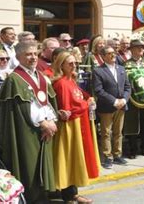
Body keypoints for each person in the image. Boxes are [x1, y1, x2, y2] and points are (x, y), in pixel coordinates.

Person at [0, 41, 58, 202]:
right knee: (29, 163)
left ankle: (43, 195)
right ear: (18, 57)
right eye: (28, 54)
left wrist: (51, 120)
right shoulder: (14, 79)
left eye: (34, 54)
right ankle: (31, 198)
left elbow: (46, 101)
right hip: (26, 130)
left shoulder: (41, 76)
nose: (32, 57)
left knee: (43, 162)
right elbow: (23, 107)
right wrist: (42, 123)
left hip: (45, 128)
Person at [52, 52, 99, 203]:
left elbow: (81, 95)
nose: (74, 66)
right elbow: (67, 111)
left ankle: (73, 194)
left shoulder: (70, 80)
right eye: (70, 63)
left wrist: (88, 98)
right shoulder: (61, 84)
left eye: (75, 63)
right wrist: (86, 104)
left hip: (79, 124)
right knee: (70, 160)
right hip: (70, 128)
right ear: (61, 65)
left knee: (76, 160)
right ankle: (68, 196)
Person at [92, 46, 131, 168]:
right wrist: (114, 101)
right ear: (103, 57)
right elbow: (99, 90)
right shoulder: (98, 71)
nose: (113, 55)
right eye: (109, 54)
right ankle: (107, 157)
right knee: (106, 133)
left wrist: (124, 99)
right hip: (107, 107)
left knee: (118, 132)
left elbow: (127, 87)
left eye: (113, 53)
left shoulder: (121, 69)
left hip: (121, 106)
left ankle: (117, 155)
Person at [123, 40, 144, 158]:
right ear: (131, 50)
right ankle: (132, 150)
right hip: (133, 98)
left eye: (141, 47)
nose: (140, 49)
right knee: (132, 124)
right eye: (137, 47)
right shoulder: (126, 64)